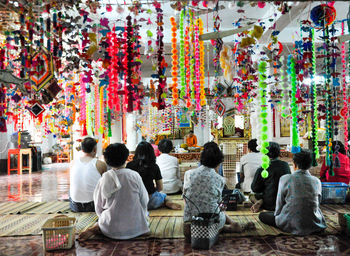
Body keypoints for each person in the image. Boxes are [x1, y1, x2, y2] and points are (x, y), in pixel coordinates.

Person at [183, 142, 255, 242]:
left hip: (189, 227)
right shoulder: (219, 179)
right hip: (210, 224)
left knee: (206, 212)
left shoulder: (190, 174)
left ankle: (227, 227)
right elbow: (218, 204)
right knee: (218, 211)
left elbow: (185, 197)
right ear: (218, 163)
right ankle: (230, 226)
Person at [78, 143, 149, 240]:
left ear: (106, 160)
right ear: (127, 158)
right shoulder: (134, 175)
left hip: (109, 230)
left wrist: (104, 218)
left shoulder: (104, 178)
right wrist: (142, 215)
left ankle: (97, 228)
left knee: (102, 219)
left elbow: (98, 207)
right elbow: (144, 200)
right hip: (136, 229)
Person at [259, 149, 327, 235]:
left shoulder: (285, 178)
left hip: (289, 222)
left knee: (262, 215)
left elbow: (279, 203)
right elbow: (318, 203)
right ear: (310, 165)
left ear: (294, 164)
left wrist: (277, 216)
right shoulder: (316, 181)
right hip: (313, 223)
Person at [127, 141, 181, 210]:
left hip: (133, 202)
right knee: (164, 196)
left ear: (137, 152)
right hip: (150, 202)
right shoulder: (154, 166)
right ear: (151, 153)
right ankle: (166, 202)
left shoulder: (129, 165)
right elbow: (160, 188)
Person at [250, 142, 291, 212]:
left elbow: (255, 188)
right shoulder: (285, 165)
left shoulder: (262, 168)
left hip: (269, 203)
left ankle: (260, 202)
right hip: (285, 202)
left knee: (251, 195)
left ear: (265, 153)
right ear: (279, 153)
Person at [69, 137, 107, 212]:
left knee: (72, 188)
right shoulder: (100, 164)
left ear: (82, 149)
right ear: (95, 149)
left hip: (76, 206)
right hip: (94, 206)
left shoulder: (72, 163)